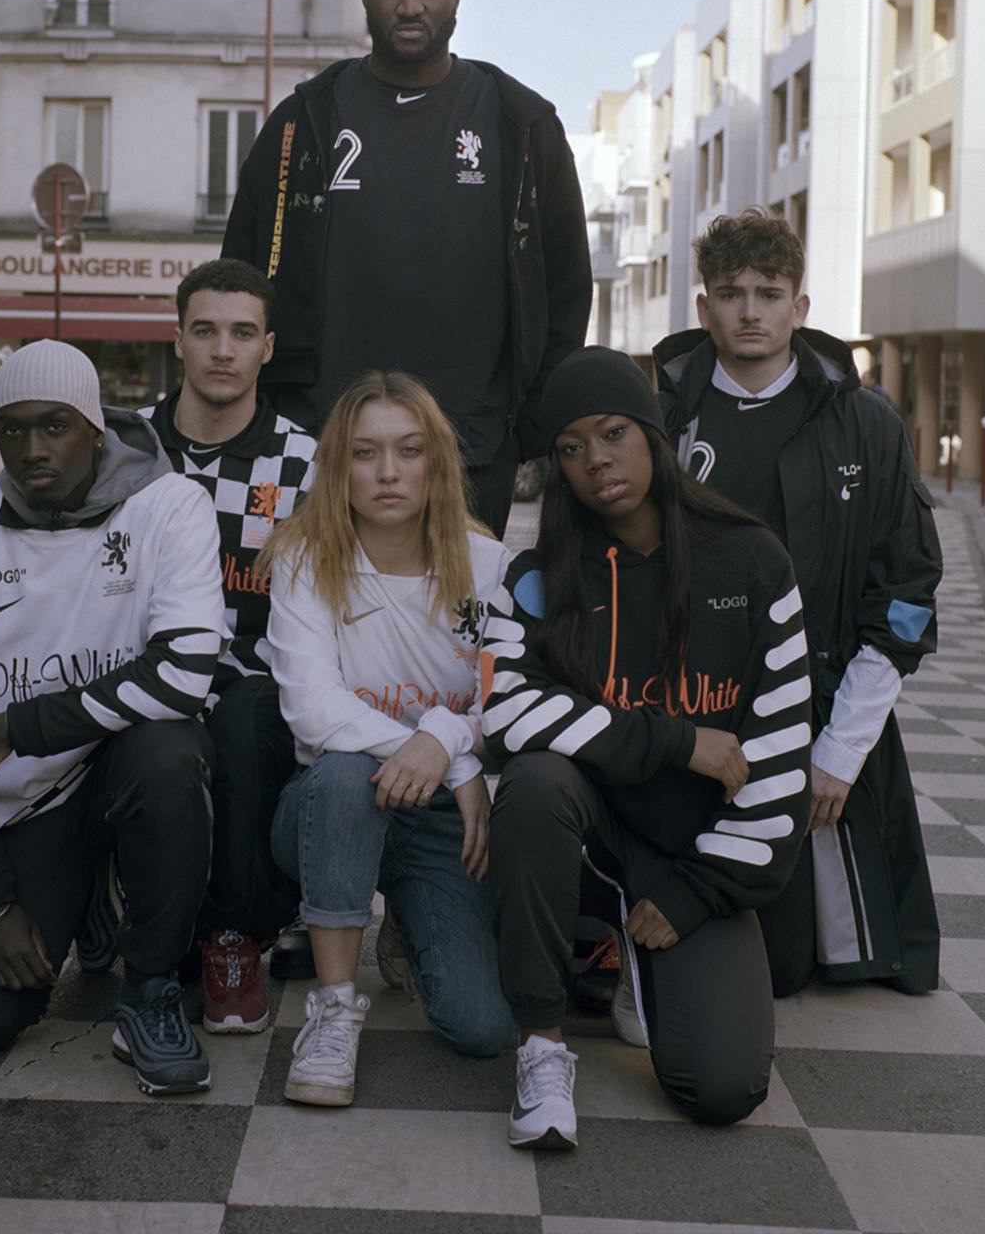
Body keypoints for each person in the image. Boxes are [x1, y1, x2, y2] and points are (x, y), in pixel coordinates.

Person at [483, 346, 810, 1147]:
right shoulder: (534, 577)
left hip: (693, 853)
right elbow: (504, 714)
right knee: (534, 781)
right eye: (571, 448)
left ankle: (642, 960)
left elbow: (778, 757)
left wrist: (699, 891)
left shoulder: (755, 561)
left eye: (614, 432)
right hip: (584, 837)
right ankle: (542, 1045)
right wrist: (674, 741)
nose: (596, 461)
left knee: (724, 1088)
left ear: (654, 434)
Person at [0, 339, 228, 1095]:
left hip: (124, 768)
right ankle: (87, 895)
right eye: (12, 429)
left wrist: (17, 726)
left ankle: (147, 990)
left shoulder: (167, 505)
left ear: (95, 428)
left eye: (54, 426)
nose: (32, 449)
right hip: (33, 804)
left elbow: (184, 675)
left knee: (168, 753)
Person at [221, 0, 591, 536]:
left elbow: (566, 288)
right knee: (325, 625)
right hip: (324, 450)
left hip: (472, 451)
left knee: (459, 633)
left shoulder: (520, 125)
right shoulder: (301, 124)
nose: (412, 5)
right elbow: (240, 280)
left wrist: (527, 426)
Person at [653, 209, 942, 997]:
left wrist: (842, 750)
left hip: (819, 709)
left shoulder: (866, 424)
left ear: (800, 308)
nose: (751, 311)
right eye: (731, 292)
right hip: (682, 708)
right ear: (704, 306)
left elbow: (908, 599)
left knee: (787, 969)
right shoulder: (659, 414)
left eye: (770, 293)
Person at [261, 370, 515, 1106]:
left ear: (437, 460)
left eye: (409, 450)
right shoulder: (305, 559)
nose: (389, 472)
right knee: (343, 770)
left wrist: (444, 741)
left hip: (439, 819)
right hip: (328, 809)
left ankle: (406, 915)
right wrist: (451, 761)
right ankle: (335, 1009)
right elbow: (311, 707)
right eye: (366, 454)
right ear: (338, 468)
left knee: (483, 1029)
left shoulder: (491, 567)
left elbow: (507, 703)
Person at [137, 257, 317, 1034]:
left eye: (241, 333)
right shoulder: (128, 453)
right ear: (177, 339)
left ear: (267, 348)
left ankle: (234, 934)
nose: (222, 350)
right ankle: (140, 923)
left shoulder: (303, 462)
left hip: (256, 681)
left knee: (245, 724)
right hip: (143, 679)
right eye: (204, 330)